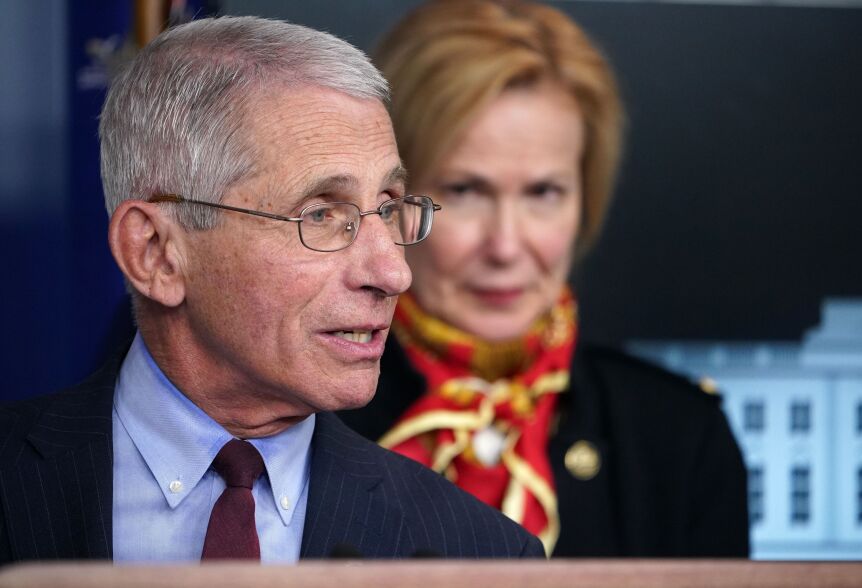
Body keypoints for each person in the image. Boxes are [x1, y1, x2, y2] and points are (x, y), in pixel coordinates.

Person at [0, 16, 544, 563]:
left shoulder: (483, 555)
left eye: (389, 208)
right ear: (157, 253)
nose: (394, 273)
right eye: (322, 214)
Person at [338, 0, 749, 557]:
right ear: (389, 202)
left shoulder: (680, 440)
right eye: (465, 190)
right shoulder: (307, 411)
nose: (506, 246)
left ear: (586, 199)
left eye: (543, 193)